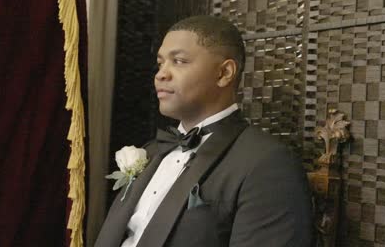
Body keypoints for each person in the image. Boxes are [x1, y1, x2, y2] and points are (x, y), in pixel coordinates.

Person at [95, 15, 313, 247]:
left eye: (178, 61)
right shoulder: (152, 151)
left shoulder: (267, 164)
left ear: (224, 73)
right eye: (160, 63)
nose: (161, 74)